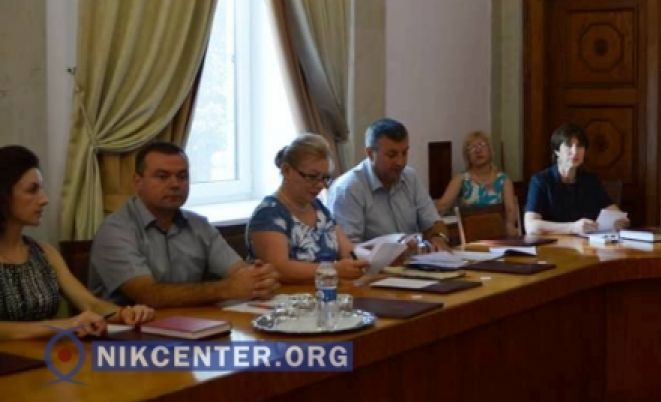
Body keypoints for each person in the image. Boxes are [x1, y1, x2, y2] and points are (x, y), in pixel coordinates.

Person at [90, 141, 280, 307]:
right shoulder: (115, 230)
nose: (175, 184)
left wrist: (260, 278)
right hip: (128, 330)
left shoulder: (199, 225)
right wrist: (227, 289)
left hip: (194, 325)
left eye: (182, 176)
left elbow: (238, 271)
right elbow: (147, 295)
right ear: (137, 182)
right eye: (162, 176)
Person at [0, 145, 154, 340]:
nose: (44, 199)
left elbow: (89, 303)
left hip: (44, 353)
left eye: (41, 189)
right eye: (32, 190)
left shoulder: (44, 252)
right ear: (3, 196)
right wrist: (64, 325)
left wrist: (125, 313)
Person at [246, 134, 367, 283]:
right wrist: (333, 269)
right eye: (312, 176)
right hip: (285, 296)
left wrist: (365, 261)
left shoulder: (318, 207)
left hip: (326, 290)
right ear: (286, 170)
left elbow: (348, 251)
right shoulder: (269, 214)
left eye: (324, 178)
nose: (320, 185)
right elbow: (278, 268)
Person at [329, 118, 451, 251]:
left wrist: (438, 237)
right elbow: (348, 250)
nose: (400, 162)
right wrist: (390, 253)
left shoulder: (410, 177)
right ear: (370, 154)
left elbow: (433, 222)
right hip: (373, 263)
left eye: (404, 153)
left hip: (415, 260)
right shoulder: (348, 189)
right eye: (392, 155)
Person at [525, 123, 630, 235]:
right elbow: (531, 226)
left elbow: (616, 213)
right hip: (553, 243)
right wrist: (573, 227)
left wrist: (622, 221)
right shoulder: (540, 181)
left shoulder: (590, 180)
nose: (575, 152)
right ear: (557, 151)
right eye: (569, 146)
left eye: (580, 146)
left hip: (586, 243)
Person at [435, 131, 520, 237]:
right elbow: (442, 206)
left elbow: (510, 209)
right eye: (472, 148)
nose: (478, 151)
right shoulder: (461, 179)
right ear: (467, 156)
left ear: (490, 150)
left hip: (499, 234)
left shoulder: (504, 180)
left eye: (482, 145)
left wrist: (510, 224)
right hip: (470, 236)